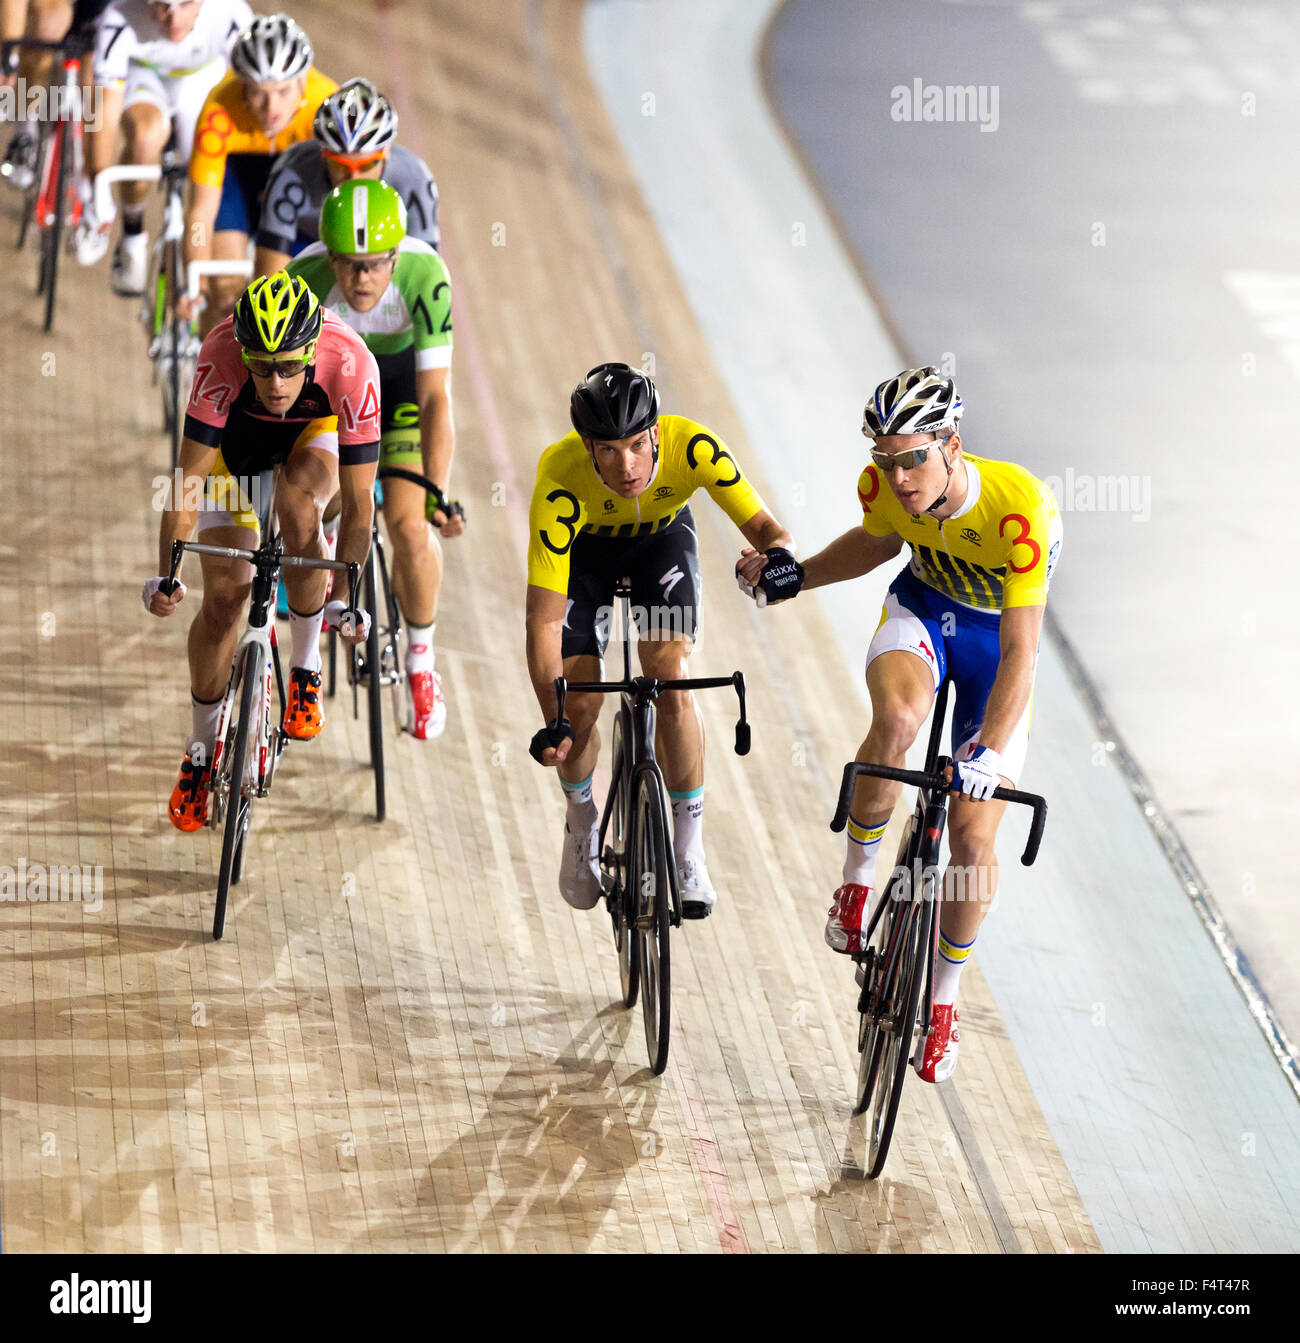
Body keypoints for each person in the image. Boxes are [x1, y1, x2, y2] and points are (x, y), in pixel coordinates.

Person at [738, 366, 1062, 1083]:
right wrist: (797, 576)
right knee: (898, 719)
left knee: (972, 838)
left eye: (913, 457)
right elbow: (877, 543)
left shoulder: (1019, 509)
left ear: (952, 445)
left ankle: (943, 1001)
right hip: (923, 612)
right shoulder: (887, 486)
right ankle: (857, 884)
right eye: (885, 460)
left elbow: (1021, 651)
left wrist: (990, 752)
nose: (899, 476)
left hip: (996, 647)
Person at [526, 363, 794, 917]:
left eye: (636, 445)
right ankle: (581, 820)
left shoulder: (693, 447)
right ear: (587, 446)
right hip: (586, 557)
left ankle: (688, 849)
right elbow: (544, 622)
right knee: (579, 704)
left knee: (671, 680)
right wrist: (554, 717)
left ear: (655, 433)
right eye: (608, 451)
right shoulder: (559, 476)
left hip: (661, 545)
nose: (626, 465)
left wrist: (779, 559)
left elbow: (770, 531)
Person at [143, 270, 382, 831]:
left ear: (312, 351)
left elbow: (358, 504)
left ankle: (305, 669)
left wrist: (347, 598)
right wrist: (167, 573)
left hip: (312, 435)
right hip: (237, 448)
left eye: (289, 367)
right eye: (262, 366)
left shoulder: (352, 364)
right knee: (223, 598)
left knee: (300, 510)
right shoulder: (219, 354)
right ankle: (200, 754)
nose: (275, 383)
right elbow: (187, 482)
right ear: (242, 352)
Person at [288, 177, 460, 739]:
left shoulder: (425, 274)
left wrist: (436, 493)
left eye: (374, 266)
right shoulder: (302, 279)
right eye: (349, 265)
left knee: (410, 530)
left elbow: (435, 399)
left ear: (395, 259)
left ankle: (421, 664)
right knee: (315, 501)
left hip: (402, 398)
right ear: (330, 259)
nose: (361, 279)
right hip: (335, 401)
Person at [75, 0, 251, 294]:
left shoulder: (231, 13)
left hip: (202, 81)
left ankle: (198, 250)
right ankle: (133, 234)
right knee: (146, 134)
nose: (174, 19)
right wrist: (98, 186)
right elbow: (103, 113)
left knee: (208, 168)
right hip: (143, 76)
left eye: (185, 4)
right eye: (162, 6)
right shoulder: (118, 18)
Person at [180, 12, 334, 334]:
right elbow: (200, 217)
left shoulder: (325, 110)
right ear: (242, 87)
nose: (271, 107)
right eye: (258, 93)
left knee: (294, 302)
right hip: (238, 180)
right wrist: (196, 279)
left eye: (283, 92)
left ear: (303, 82)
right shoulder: (219, 111)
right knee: (225, 295)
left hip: (298, 188)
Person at [254, 76, 438, 274]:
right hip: (309, 246)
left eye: (366, 165)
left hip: (378, 254)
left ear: (385, 154)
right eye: (340, 165)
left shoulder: (414, 180)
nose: (353, 178)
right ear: (323, 155)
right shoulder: (292, 172)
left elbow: (423, 274)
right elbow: (270, 277)